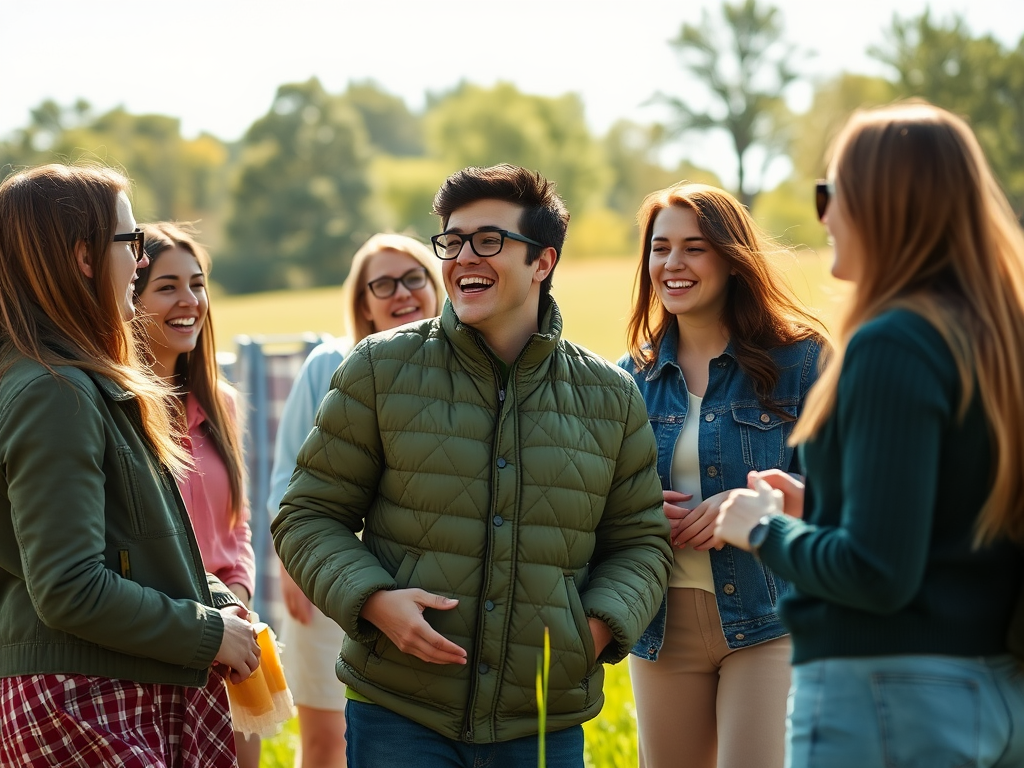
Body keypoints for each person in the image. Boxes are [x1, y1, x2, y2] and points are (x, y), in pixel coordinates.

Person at [272, 163, 673, 768]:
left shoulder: (611, 397)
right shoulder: (379, 370)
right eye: (453, 242)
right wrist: (374, 600)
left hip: (543, 718)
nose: (464, 258)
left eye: (489, 241)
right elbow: (306, 516)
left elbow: (642, 542)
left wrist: (589, 635)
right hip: (399, 713)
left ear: (544, 261)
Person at [715, 101, 1024, 768]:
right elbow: (955, 523)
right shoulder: (995, 341)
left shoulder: (894, 343)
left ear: (882, 204)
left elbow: (879, 574)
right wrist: (822, 511)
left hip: (885, 697)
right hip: (995, 691)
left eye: (831, 192)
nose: (823, 216)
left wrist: (763, 526)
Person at [0, 164, 261, 767]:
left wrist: (216, 602)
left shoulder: (63, 381)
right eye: (131, 242)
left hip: (103, 691)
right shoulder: (52, 391)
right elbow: (69, 588)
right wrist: (207, 631)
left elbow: (133, 549)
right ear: (85, 257)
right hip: (83, 702)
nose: (141, 261)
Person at [619, 182, 826, 768]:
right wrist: (631, 515)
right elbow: (591, 502)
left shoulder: (803, 361)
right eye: (660, 249)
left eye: (695, 248)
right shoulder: (627, 378)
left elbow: (848, 500)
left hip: (770, 618)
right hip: (662, 628)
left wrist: (757, 503)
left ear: (733, 260)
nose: (673, 264)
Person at [268, 232, 443, 768]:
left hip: (421, 583)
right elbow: (286, 480)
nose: (401, 293)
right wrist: (294, 569)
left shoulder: (461, 371)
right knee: (325, 743)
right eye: (383, 283)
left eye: (413, 277)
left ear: (434, 286)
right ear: (363, 302)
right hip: (329, 579)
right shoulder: (328, 364)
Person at [134, 221, 260, 768]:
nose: (189, 301)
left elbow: (238, 525)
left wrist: (241, 596)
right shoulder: (116, 413)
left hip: (234, 640)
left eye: (197, 283)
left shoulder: (222, 404)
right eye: (167, 287)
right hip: (163, 637)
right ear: (128, 299)